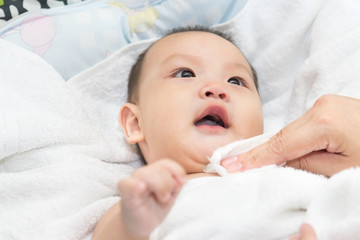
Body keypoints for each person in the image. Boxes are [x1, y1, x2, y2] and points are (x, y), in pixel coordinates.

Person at [91, 26, 263, 240]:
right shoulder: (143, 202)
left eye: (235, 81)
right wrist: (133, 223)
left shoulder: (288, 172)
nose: (216, 89)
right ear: (136, 123)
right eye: (186, 73)